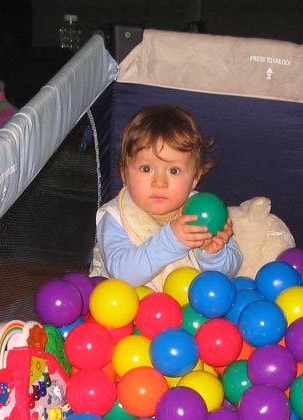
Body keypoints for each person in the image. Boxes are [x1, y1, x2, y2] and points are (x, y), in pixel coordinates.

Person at [89, 104, 242, 291]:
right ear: (124, 174)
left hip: (190, 305)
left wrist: (213, 254)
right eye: (146, 169)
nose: (159, 183)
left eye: (174, 171)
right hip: (127, 306)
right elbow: (121, 275)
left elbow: (229, 272)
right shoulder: (116, 217)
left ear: (194, 179)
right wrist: (172, 240)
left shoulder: (201, 212)